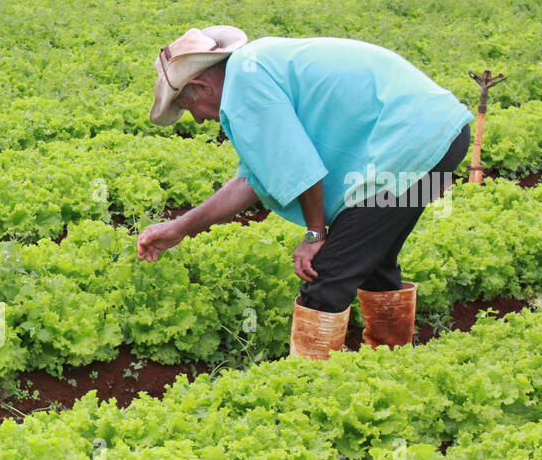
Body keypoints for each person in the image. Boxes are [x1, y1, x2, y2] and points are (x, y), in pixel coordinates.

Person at [136, 26, 472, 359]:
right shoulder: (254, 67)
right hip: (440, 138)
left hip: (410, 145)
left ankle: (308, 387)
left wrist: (315, 235)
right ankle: (391, 360)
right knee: (370, 257)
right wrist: (179, 228)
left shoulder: (246, 84)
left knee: (328, 274)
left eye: (185, 105)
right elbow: (250, 182)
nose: (195, 119)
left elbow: (300, 166)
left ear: (199, 86)